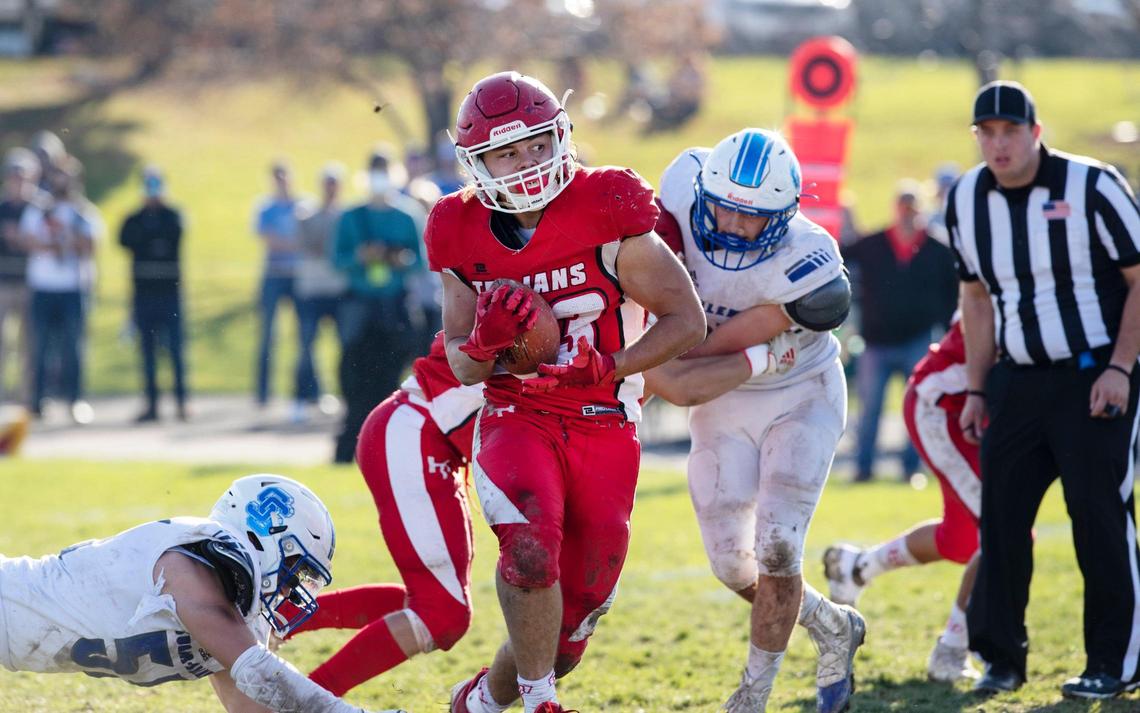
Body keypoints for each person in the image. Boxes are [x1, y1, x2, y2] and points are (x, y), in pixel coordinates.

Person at [428, 71, 705, 713]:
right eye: (507, 152)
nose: (527, 162)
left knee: (576, 615)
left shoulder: (606, 202)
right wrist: (485, 342)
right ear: (478, 162)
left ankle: (482, 701)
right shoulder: (457, 226)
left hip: (605, 416)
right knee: (529, 552)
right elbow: (465, 369)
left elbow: (686, 320)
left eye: (536, 144)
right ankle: (539, 701)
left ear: (562, 136)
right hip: (517, 413)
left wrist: (609, 365)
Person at [655, 128, 864, 713]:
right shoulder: (680, 183)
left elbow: (708, 345)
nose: (732, 224)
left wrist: (666, 347)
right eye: (723, 206)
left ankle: (753, 695)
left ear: (785, 214)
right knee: (731, 564)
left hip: (798, 390)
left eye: (752, 215)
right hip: (724, 398)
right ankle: (832, 624)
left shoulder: (808, 259)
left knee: (777, 545)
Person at [950, 80, 1140, 699]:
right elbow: (976, 298)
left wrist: (1120, 368)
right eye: (987, 133)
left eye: (1011, 131)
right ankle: (1001, 658)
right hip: (1019, 380)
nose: (999, 144)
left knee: (1098, 516)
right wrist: (977, 389)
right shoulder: (966, 199)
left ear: (1035, 132)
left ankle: (1116, 661)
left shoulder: (1092, 185)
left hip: (1095, 375)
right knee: (1002, 519)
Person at [0, 472, 405, 713]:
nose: (289, 588)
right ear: (265, 535)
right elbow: (258, 670)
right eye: (294, 569)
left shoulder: (235, 611)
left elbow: (255, 705)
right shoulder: (189, 562)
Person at [285, 332, 484, 693]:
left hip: (421, 434)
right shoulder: (533, 306)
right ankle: (306, 699)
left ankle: (279, 618)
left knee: (431, 603)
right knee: (442, 613)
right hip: (414, 433)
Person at [823, 319, 983, 683]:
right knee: (1002, 530)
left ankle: (857, 567)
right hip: (946, 404)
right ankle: (954, 648)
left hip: (971, 408)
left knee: (962, 540)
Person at [842, 182, 958, 482]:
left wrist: (951, 338)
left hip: (918, 340)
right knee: (869, 410)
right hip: (875, 341)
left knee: (918, 409)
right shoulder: (873, 243)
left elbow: (952, 294)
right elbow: (838, 254)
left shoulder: (938, 250)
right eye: (903, 208)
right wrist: (841, 215)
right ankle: (863, 469)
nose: (908, 214)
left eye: (912, 208)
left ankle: (911, 469)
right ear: (895, 209)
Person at [332, 147, 426, 464]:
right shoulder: (352, 216)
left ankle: (386, 447)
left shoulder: (407, 215)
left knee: (390, 380)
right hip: (360, 308)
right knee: (355, 380)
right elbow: (337, 259)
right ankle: (349, 446)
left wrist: (398, 258)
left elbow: (420, 262)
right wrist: (361, 256)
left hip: (394, 309)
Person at [20, 168, 97, 423]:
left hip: (72, 289)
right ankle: (38, 401)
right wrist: (57, 244)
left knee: (73, 347)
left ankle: (75, 399)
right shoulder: (39, 210)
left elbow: (89, 245)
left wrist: (66, 241)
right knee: (40, 346)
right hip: (43, 287)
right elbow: (29, 241)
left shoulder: (82, 212)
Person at [119, 166, 188, 422]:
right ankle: (151, 404)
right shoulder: (135, 218)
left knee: (176, 351)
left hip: (170, 294)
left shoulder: (173, 216)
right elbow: (126, 240)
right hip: (144, 295)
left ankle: (181, 402)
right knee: (147, 353)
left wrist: (149, 237)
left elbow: (170, 238)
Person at [294, 163, 348, 422]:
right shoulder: (309, 214)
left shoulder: (346, 216)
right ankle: (304, 397)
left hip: (337, 289)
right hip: (312, 289)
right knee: (306, 346)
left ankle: (344, 395)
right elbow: (311, 244)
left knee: (345, 346)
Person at [252, 161, 301, 408]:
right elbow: (269, 239)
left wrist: (289, 243)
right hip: (273, 275)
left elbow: (305, 239)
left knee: (304, 336)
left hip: (297, 276)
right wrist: (292, 243)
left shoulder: (302, 206)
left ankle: (305, 391)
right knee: (267, 336)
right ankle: (262, 392)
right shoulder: (265, 207)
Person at [0, 148, 42, 407]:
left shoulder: (39, 208)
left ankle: (27, 397)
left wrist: (21, 239)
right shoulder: (2, 207)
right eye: (14, 177)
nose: (18, 182)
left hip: (30, 283)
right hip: (3, 283)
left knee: (29, 344)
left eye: (23, 177)